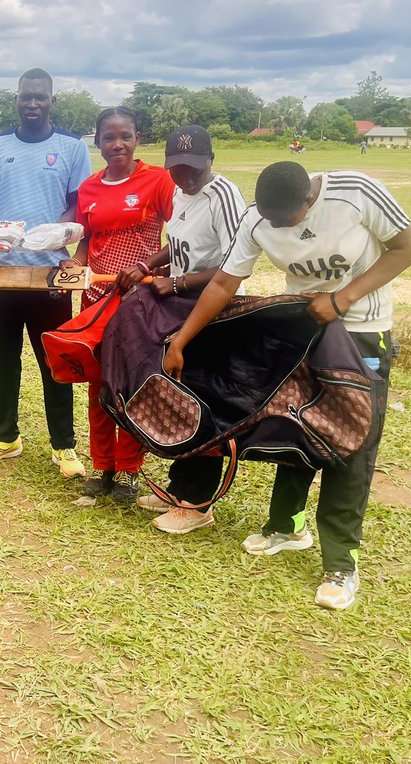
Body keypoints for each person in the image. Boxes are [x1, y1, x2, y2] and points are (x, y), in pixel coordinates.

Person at [162, 161, 411, 610]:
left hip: (362, 329)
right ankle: (286, 526)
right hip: (303, 333)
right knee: (296, 427)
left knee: (350, 441)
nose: (277, 225)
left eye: (286, 218)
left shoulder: (355, 193)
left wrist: (343, 298)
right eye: (270, 218)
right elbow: (225, 281)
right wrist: (182, 338)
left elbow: (406, 248)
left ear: (308, 200)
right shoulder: (258, 216)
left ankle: (341, 562)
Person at [120, 125, 246, 531]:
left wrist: (177, 282)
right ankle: (180, 488)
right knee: (179, 395)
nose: (186, 176)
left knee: (202, 400)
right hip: (179, 306)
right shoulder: (178, 191)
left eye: (194, 167)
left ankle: (198, 504)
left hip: (207, 308)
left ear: (212, 160)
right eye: (177, 168)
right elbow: (178, 246)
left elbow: (233, 266)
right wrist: (148, 265)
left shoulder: (223, 196)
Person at [0, 68, 93, 475]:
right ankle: (6, 437)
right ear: (17, 99)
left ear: (51, 100)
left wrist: (54, 236)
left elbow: (78, 205)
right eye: (27, 97)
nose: (33, 103)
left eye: (40, 97)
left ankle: (64, 446)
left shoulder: (72, 148)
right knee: (2, 361)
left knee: (55, 362)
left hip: (51, 276)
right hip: (1, 274)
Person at [61, 107, 172, 503]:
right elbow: (87, 241)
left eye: (125, 136)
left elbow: (181, 238)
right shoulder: (89, 188)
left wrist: (145, 266)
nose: (117, 144)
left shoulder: (158, 180)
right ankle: (101, 465)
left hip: (141, 303)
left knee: (135, 384)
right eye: (109, 137)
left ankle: (129, 470)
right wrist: (75, 263)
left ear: (137, 138)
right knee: (98, 385)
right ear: (98, 142)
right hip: (96, 301)